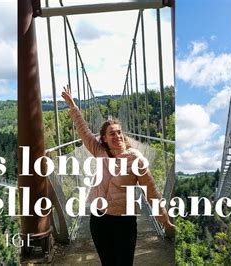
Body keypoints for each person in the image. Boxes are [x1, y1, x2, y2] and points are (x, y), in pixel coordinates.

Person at [62, 85, 175, 265]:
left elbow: (151, 192)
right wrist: (73, 107)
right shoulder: (98, 151)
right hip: (98, 219)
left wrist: (165, 221)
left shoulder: (135, 158)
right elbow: (83, 131)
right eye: (112, 133)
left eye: (119, 132)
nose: (117, 136)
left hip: (124, 221)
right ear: (104, 138)